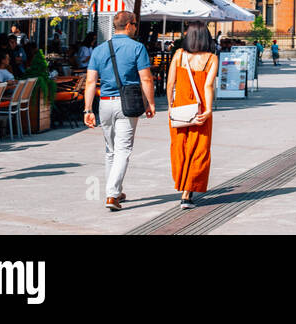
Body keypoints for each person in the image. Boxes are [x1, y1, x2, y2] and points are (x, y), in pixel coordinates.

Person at [83, 12, 154, 212]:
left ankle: (115, 189)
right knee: (123, 150)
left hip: (104, 104)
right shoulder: (137, 48)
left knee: (110, 150)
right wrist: (149, 103)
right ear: (130, 25)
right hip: (128, 104)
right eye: (136, 24)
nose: (136, 27)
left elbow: (90, 82)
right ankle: (112, 194)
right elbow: (146, 79)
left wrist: (88, 109)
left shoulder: (99, 50)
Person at [167, 22, 218, 209]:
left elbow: (170, 83)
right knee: (199, 150)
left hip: (180, 107)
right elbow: (208, 86)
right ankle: (187, 193)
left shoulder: (179, 54)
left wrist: (171, 106)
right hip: (200, 109)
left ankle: (182, 184)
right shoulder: (211, 58)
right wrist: (209, 109)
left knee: (179, 147)